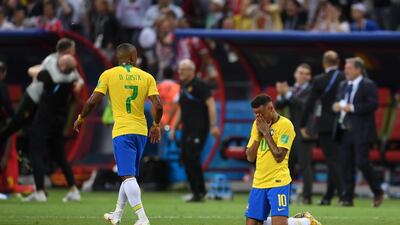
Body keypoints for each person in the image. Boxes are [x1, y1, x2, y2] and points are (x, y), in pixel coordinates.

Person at [73, 43, 163, 225]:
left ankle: (142, 218)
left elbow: (93, 100)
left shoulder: (109, 74)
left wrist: (81, 117)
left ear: (118, 57)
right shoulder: (147, 77)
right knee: (128, 175)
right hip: (140, 131)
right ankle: (117, 214)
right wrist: (156, 124)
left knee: (127, 176)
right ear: (132, 57)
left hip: (122, 131)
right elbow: (159, 105)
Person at [246, 94, 321, 225]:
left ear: (270, 108)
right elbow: (250, 157)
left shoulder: (286, 125)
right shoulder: (257, 125)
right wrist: (258, 136)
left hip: (278, 181)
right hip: (259, 181)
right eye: (254, 113)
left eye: (259, 113)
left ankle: (306, 222)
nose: (257, 117)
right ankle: (302, 221)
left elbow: (279, 156)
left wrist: (266, 133)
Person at [0, 38, 83, 144]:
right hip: (33, 97)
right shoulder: (52, 60)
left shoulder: (67, 63)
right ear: (67, 50)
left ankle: (26, 155)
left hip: (44, 103)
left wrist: (78, 83)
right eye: (73, 49)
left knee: (34, 129)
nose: (74, 52)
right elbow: (55, 78)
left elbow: (79, 79)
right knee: (16, 124)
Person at [22, 54, 80, 202]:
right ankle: (73, 189)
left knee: (36, 152)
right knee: (60, 156)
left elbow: (31, 72)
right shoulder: (71, 79)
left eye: (60, 60)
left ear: (62, 66)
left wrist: (44, 65)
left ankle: (40, 191)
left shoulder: (50, 76)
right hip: (59, 121)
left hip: (44, 119)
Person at [332, 57, 384, 207]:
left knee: (362, 162)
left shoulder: (369, 85)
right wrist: (336, 106)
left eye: (348, 68)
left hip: (361, 131)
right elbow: (337, 100)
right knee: (346, 164)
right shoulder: (343, 85)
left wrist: (352, 108)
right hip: (344, 130)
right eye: (345, 67)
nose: (345, 70)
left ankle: (378, 191)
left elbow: (373, 104)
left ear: (358, 69)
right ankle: (347, 197)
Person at [169, 59, 220, 202]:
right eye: (179, 69)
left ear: (192, 71)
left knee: (193, 157)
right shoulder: (183, 86)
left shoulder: (200, 85)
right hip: (187, 129)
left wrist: (213, 125)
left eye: (183, 69)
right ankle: (195, 191)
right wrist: (174, 127)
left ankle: (200, 192)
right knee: (186, 158)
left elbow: (211, 105)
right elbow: (181, 109)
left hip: (199, 128)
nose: (180, 72)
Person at [300, 50, 344, 206]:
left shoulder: (319, 80)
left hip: (325, 125)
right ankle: (328, 196)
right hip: (343, 124)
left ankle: (343, 193)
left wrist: (303, 124)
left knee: (332, 161)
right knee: (337, 160)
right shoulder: (344, 77)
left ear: (324, 63)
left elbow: (310, 103)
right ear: (338, 62)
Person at [275, 63, 313, 204]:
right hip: (289, 135)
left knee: (305, 165)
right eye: (300, 72)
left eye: (306, 73)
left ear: (309, 77)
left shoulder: (311, 90)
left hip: (305, 132)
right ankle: (286, 196)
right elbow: (279, 106)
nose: (303, 75)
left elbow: (304, 105)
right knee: (286, 166)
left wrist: (288, 94)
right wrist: (281, 94)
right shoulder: (291, 91)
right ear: (295, 74)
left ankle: (307, 197)